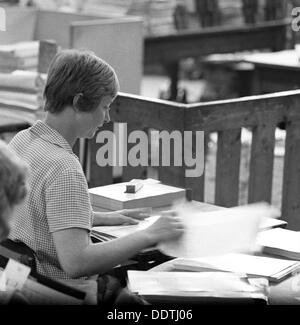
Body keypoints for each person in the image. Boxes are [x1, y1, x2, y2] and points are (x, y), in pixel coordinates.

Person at [8, 49, 184, 305]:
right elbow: (77, 262)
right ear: (79, 102)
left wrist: (95, 217)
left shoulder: (21, 141)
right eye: (105, 106)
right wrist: (149, 234)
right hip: (62, 294)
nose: (107, 117)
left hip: (22, 283)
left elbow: (34, 214)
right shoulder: (64, 168)